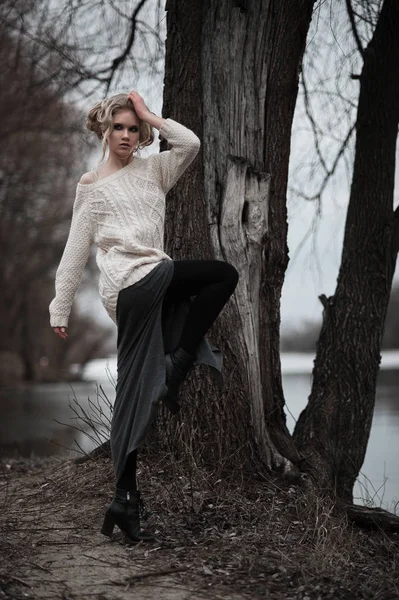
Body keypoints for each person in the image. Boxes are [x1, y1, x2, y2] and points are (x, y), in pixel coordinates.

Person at [49, 90, 239, 543]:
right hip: (128, 286)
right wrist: (60, 304)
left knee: (134, 388)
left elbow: (190, 144)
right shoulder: (91, 186)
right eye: (119, 127)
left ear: (143, 135)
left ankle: (124, 498)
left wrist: (152, 114)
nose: (127, 135)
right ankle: (176, 367)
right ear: (104, 129)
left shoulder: (155, 170)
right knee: (221, 274)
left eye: (135, 129)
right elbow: (75, 253)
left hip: (157, 277)